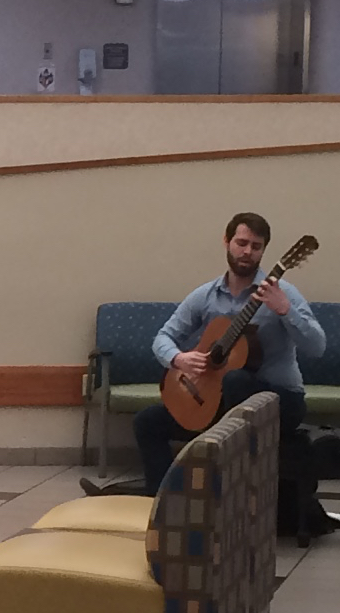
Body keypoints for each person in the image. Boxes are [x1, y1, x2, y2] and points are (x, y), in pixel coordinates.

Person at [108, 211, 328, 528]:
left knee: (237, 380)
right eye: (241, 243)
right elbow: (163, 337)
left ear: (264, 250)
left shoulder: (282, 293)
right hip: (221, 404)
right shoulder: (207, 296)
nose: (247, 252)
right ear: (227, 242)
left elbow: (317, 347)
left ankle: (228, 504)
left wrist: (285, 310)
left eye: (256, 246)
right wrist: (179, 359)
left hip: (281, 401)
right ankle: (163, 511)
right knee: (147, 422)